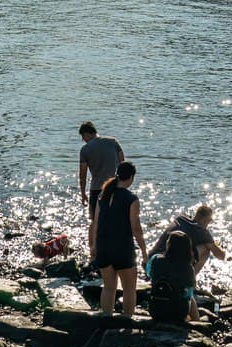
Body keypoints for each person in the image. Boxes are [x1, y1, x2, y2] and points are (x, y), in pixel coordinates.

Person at [91, 160, 146, 316]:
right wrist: (144, 250)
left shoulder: (103, 195)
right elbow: (136, 228)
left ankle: (106, 319)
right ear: (131, 177)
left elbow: (96, 223)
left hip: (103, 246)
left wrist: (94, 246)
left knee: (109, 287)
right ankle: (127, 321)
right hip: (122, 248)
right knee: (129, 289)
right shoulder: (131, 199)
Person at [78, 122, 125, 247]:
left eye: (83, 136)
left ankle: (93, 251)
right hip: (114, 187)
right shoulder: (113, 142)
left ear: (88, 133)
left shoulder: (85, 150)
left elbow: (83, 174)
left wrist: (83, 193)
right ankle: (114, 247)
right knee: (114, 219)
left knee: (94, 221)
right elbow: (123, 163)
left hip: (96, 189)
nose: (83, 140)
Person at [148, 204, 226, 271]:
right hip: (165, 267)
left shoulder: (180, 218)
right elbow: (220, 256)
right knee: (206, 250)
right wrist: (217, 246)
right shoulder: (202, 232)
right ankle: (190, 282)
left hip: (151, 262)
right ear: (205, 220)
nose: (208, 224)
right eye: (209, 221)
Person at [146, 228, 197, 324]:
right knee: (189, 295)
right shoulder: (187, 267)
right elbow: (190, 291)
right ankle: (196, 320)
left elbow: (148, 273)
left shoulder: (155, 259)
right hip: (178, 313)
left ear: (169, 244)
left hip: (155, 310)